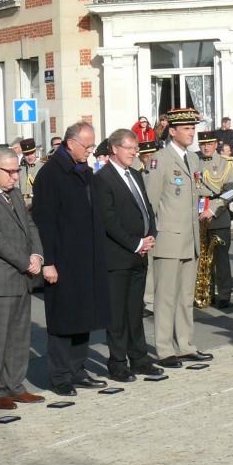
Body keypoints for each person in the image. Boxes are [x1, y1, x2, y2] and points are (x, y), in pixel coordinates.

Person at [32, 121, 111, 395]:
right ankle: (60, 376)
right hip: (62, 258)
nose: (90, 151)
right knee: (63, 319)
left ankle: (78, 370)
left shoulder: (85, 171)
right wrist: (48, 261)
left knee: (84, 316)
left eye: (92, 146)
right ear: (70, 143)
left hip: (86, 257)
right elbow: (45, 221)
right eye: (86, 146)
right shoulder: (50, 175)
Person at [0, 146, 45, 409]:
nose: (16, 176)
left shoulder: (13, 193)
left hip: (23, 276)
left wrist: (37, 254)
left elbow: (30, 225)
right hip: (2, 276)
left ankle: (15, 384)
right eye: (11, 171)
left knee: (19, 336)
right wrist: (25, 262)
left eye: (17, 171)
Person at [145, 108, 212, 365]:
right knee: (165, 297)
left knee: (185, 297)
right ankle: (164, 348)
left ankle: (185, 344)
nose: (191, 132)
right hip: (168, 239)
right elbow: (150, 203)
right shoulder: (159, 159)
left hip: (190, 237)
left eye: (193, 128)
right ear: (172, 131)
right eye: (186, 128)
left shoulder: (192, 160)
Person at [95, 129, 158, 381]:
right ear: (114, 148)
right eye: (129, 147)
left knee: (135, 310)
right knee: (118, 314)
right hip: (118, 256)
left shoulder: (135, 175)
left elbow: (147, 208)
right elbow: (108, 220)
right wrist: (135, 243)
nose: (135, 152)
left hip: (139, 254)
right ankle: (118, 362)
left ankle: (140, 358)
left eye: (136, 147)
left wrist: (151, 234)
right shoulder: (103, 178)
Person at [196, 129, 233, 308]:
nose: (206, 147)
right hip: (197, 213)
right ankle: (205, 293)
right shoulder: (192, 160)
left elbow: (231, 191)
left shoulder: (225, 163)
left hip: (218, 214)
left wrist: (212, 210)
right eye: (203, 144)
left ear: (215, 145)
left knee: (221, 259)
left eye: (209, 144)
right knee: (201, 257)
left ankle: (224, 295)